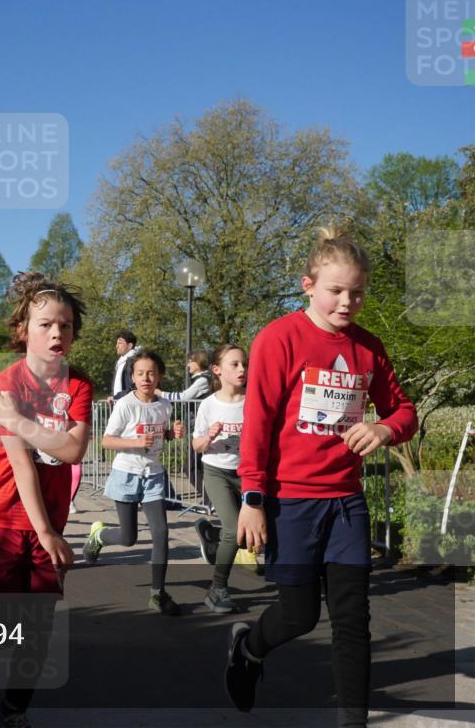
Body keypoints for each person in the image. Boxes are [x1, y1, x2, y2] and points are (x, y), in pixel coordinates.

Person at [225, 226, 417, 728]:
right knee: (299, 615)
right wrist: (252, 497)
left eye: (357, 292)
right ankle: (249, 648)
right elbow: (260, 423)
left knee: (353, 620)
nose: (347, 302)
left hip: (346, 501)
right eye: (336, 290)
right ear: (308, 285)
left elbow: (404, 412)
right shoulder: (279, 338)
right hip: (291, 502)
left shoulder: (369, 349)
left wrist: (383, 428)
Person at [0, 272, 93, 728]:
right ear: (24, 330)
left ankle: (13, 709)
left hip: (49, 518)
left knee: (38, 627)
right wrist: (45, 531)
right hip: (3, 514)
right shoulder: (7, 382)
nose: (56, 333)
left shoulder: (78, 385)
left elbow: (74, 449)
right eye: (45, 324)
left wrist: (20, 422)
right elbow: (23, 465)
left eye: (64, 325)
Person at [82, 351, 185, 615]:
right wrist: (136, 443)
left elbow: (160, 435)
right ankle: (99, 536)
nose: (145, 378)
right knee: (128, 538)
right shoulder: (125, 404)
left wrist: (171, 434)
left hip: (153, 476)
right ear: (132, 377)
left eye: (151, 373)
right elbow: (107, 440)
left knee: (160, 532)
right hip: (126, 474)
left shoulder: (164, 405)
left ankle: (157, 594)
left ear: (160, 376)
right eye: (139, 373)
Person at [191, 344, 247, 613]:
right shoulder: (208, 405)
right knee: (235, 530)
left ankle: (212, 535)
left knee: (249, 534)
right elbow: (196, 445)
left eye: (244, 364)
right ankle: (217, 590)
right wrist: (210, 436)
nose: (242, 369)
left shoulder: (254, 401)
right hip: (216, 471)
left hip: (248, 473)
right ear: (217, 370)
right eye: (234, 364)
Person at [108, 330, 141, 404]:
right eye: (117, 343)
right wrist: (113, 396)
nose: (116, 346)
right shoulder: (120, 363)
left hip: (130, 404)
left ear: (130, 345)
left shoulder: (134, 362)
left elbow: (135, 386)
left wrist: (117, 397)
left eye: (120, 343)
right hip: (120, 403)